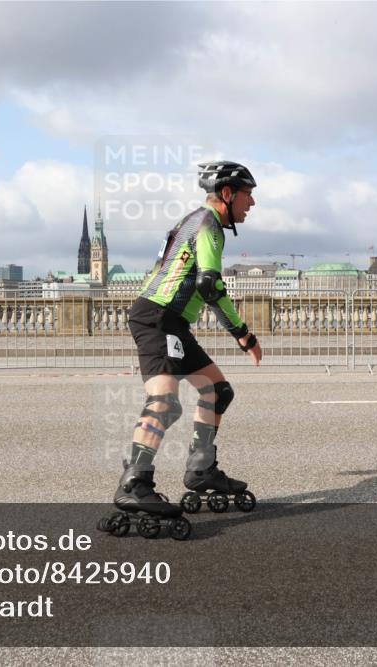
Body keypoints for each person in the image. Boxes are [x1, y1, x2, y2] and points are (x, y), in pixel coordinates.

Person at [113, 161, 262, 521]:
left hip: (172, 321)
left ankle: (201, 469)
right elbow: (209, 285)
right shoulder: (209, 225)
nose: (252, 203)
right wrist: (242, 333)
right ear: (227, 193)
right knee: (165, 403)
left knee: (217, 391)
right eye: (248, 194)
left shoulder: (194, 220)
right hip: (158, 318)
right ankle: (135, 483)